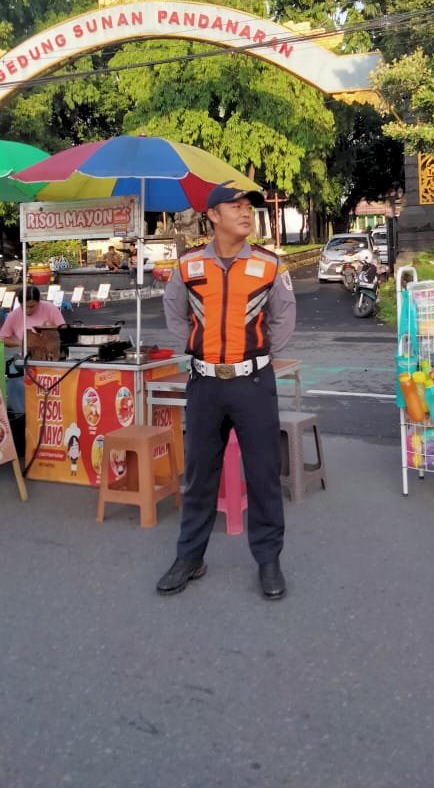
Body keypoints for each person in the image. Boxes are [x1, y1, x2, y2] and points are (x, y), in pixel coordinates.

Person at [158, 183, 297, 601]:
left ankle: (269, 561)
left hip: (253, 382)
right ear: (213, 215)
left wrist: (253, 354)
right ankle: (190, 557)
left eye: (248, 208)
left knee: (263, 474)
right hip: (204, 384)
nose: (245, 213)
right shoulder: (188, 267)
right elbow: (174, 311)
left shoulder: (270, 266)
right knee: (200, 476)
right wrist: (196, 350)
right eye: (235, 207)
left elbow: (283, 319)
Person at [0, 285, 65, 348]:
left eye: (32, 306)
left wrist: (50, 330)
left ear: (38, 302)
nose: (28, 310)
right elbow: (2, 339)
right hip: (27, 354)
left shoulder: (50, 308)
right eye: (24, 306)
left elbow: (64, 329)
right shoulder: (13, 315)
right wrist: (20, 343)